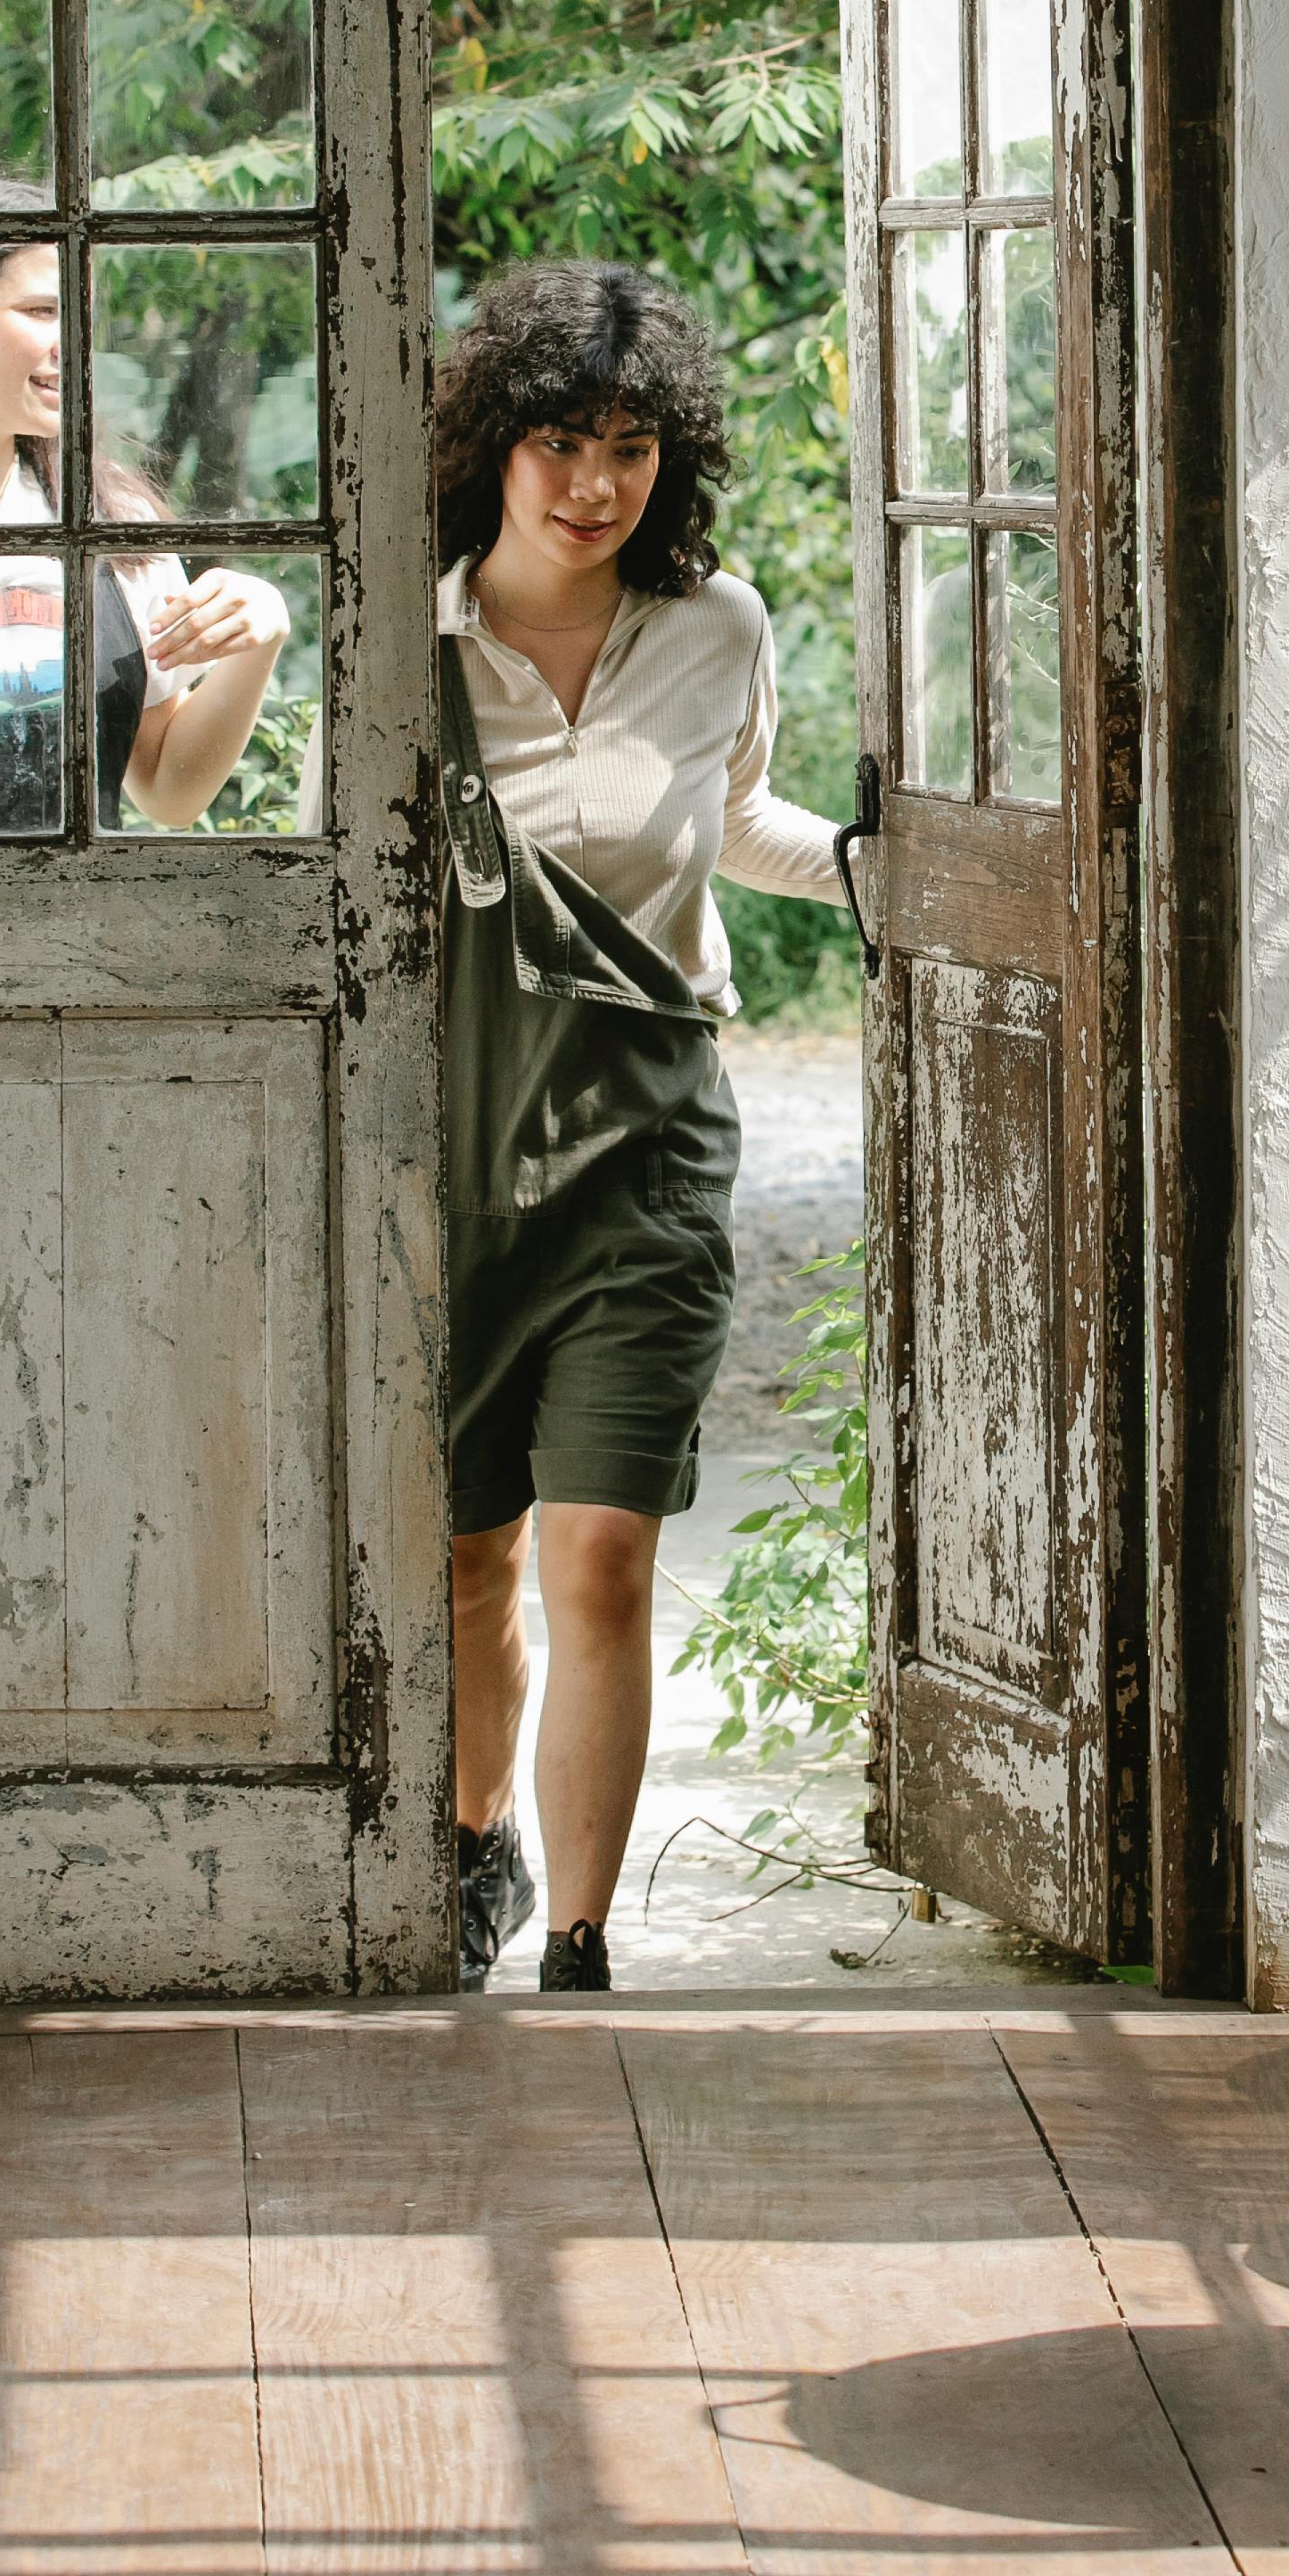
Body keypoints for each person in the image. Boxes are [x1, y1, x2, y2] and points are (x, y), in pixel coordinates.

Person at [436, 260, 843, 1993]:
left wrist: (898, 865)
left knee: (601, 1550)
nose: (596, 484)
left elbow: (736, 819)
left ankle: (584, 1944)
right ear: (493, 450)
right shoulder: (415, 629)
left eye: (630, 446)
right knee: (471, 1554)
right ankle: (471, 1844)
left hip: (650, 1148)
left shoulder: (718, 631)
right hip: (451, 1162)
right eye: (559, 443)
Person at [0, 170, 291, 835]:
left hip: (89, 933)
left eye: (76, 314)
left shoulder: (113, 522)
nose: (70, 343)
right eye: (41, 312)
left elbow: (166, 789)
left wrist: (262, 635)